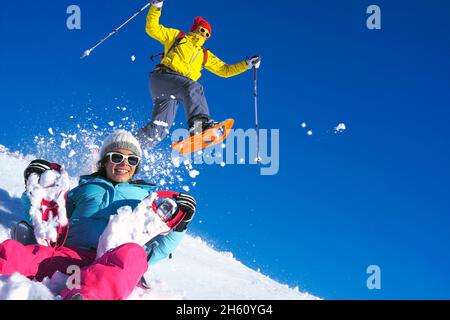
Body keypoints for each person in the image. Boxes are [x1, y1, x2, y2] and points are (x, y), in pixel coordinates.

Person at [0, 130, 196, 300]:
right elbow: (47, 218)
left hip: (114, 261)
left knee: (133, 255)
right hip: (71, 255)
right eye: (116, 157)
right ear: (104, 161)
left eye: (132, 159)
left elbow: (159, 248)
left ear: (137, 166)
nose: (124, 163)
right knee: (22, 255)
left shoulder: (147, 198)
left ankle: (86, 297)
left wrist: (180, 224)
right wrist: (35, 188)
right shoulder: (83, 189)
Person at [136, 0, 262, 148]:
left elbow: (224, 70)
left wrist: (247, 64)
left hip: (175, 92)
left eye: (207, 34)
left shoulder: (204, 54)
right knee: (193, 86)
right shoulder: (179, 37)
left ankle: (129, 146)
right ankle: (199, 127)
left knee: (160, 128)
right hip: (164, 77)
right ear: (195, 28)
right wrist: (156, 7)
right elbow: (152, 28)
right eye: (202, 30)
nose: (204, 34)